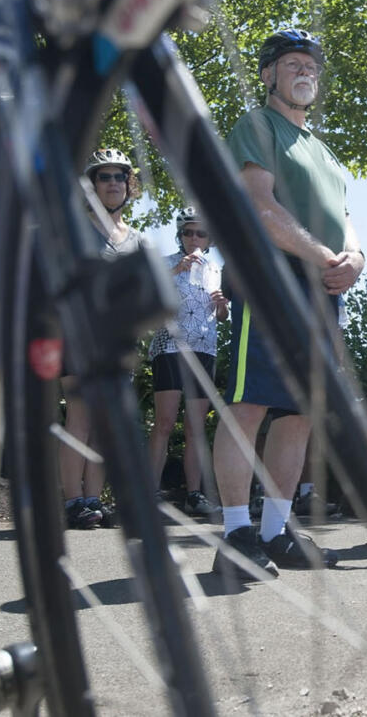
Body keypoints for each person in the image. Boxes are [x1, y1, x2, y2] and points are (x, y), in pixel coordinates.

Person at [211, 29, 363, 579]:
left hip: (323, 290)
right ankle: (234, 532)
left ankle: (276, 532)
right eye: (292, 63)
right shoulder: (257, 125)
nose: (305, 72)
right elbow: (258, 203)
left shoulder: (324, 151)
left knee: (300, 414)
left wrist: (357, 257)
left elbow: (346, 219)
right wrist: (326, 256)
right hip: (273, 282)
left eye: (312, 66)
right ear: (269, 73)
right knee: (249, 405)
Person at [61, 149, 143, 529]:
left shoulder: (137, 240)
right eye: (104, 177)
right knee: (80, 417)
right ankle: (72, 501)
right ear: (91, 185)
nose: (113, 183)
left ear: (129, 185)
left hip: (118, 342)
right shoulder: (74, 229)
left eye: (119, 177)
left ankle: (93, 500)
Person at [147, 207, 229, 518]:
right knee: (165, 423)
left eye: (201, 233)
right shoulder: (166, 262)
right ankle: (150, 491)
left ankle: (194, 494)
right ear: (179, 235)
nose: (194, 238)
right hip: (170, 347)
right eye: (188, 232)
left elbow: (220, 317)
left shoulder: (216, 269)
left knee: (196, 426)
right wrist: (175, 271)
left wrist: (222, 306)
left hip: (205, 349)